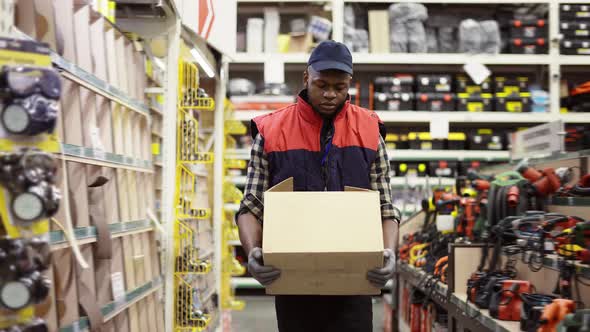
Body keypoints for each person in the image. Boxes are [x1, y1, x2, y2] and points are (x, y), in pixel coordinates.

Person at [236, 40, 400, 332]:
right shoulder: (272, 130)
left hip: (353, 281)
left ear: (350, 83)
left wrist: (389, 252)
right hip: (293, 280)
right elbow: (251, 204)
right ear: (305, 78)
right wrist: (253, 252)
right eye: (321, 84)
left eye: (339, 88)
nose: (329, 94)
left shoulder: (370, 129)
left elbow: (385, 205)